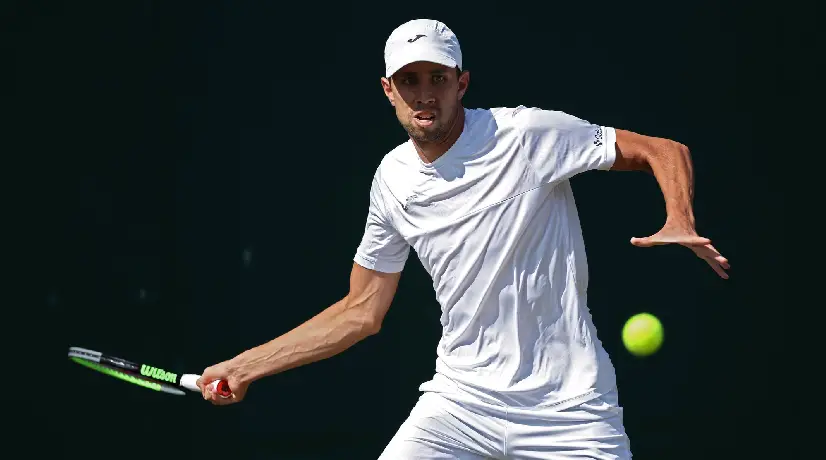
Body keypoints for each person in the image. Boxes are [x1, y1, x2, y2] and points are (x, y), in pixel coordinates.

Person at [196, 18, 729, 459]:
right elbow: (361, 310)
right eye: (409, 81)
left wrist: (679, 218)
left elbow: (662, 149)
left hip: (570, 411)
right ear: (388, 90)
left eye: (437, 78)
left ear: (462, 83)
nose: (424, 94)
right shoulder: (392, 180)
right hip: (460, 405)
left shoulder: (526, 134)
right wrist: (244, 367)